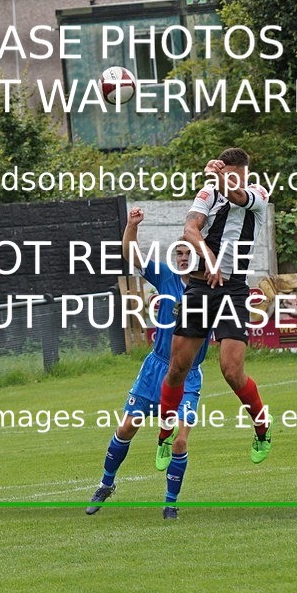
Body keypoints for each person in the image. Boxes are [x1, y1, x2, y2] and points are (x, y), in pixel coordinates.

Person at [86, 207, 209, 520]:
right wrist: (131, 226)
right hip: (156, 368)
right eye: (178, 252)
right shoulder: (166, 276)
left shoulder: (212, 289)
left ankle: (170, 503)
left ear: (200, 255)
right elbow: (131, 255)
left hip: (188, 376)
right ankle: (105, 484)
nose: (183, 257)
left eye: (189, 252)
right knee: (127, 427)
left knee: (181, 439)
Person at [156, 148, 273, 465]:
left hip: (233, 290)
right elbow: (190, 230)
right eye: (228, 173)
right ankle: (165, 436)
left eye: (237, 175)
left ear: (245, 173)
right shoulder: (207, 193)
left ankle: (262, 428)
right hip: (199, 287)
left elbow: (236, 196)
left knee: (231, 372)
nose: (234, 180)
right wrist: (208, 258)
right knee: (177, 369)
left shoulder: (258, 193)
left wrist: (223, 179)